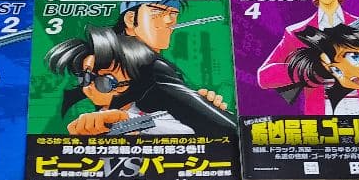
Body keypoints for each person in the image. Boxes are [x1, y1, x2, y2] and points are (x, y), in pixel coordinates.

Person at [46, 25, 237, 137]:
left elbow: (178, 127)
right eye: (84, 78)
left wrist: (202, 110)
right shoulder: (91, 119)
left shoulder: (152, 110)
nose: (88, 88)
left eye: (105, 81)